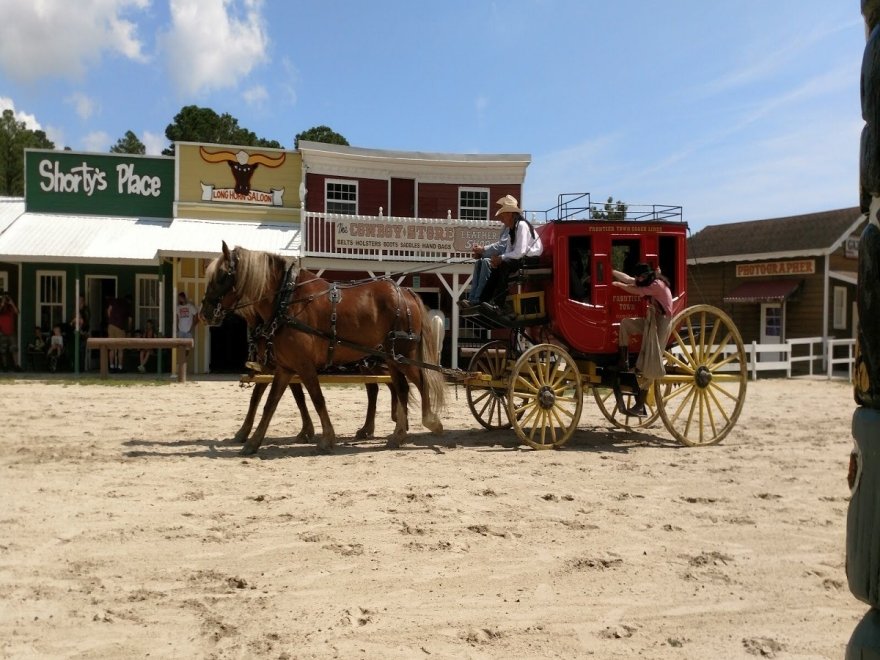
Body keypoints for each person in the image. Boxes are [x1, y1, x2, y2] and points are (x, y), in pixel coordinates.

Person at [459, 195, 543, 310]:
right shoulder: (512, 230)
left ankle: (498, 304)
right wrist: (499, 260)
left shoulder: (522, 226)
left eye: (503, 215)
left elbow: (520, 252)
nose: (501, 219)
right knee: (497, 267)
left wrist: (501, 259)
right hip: (521, 258)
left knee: (504, 265)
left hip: (531, 260)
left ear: (510, 214)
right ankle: (482, 300)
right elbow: (509, 251)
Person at [611, 262, 673, 416]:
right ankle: (623, 362)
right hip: (651, 319)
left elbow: (634, 290)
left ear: (647, 275)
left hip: (662, 322)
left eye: (641, 276)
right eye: (638, 276)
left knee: (652, 360)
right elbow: (629, 279)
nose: (638, 279)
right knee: (625, 324)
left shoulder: (657, 284)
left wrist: (618, 285)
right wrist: (611, 271)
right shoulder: (646, 280)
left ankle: (640, 404)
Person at [106, 293, 132, 372]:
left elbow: (109, 310)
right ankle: (120, 367)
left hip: (111, 326)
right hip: (120, 327)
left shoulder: (115, 301)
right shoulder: (127, 305)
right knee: (120, 349)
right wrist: (129, 330)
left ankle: (111, 366)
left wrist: (111, 320)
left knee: (112, 348)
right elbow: (130, 319)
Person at [0, 293, 23, 372]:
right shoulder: (1, 308)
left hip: (11, 332)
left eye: (6, 298)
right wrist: (1, 305)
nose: (5, 300)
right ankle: (5, 366)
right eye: (4, 298)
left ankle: (16, 366)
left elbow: (17, 312)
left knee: (14, 349)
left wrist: (12, 303)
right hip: (2, 332)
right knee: (3, 350)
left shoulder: (10, 308)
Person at [176, 292, 198, 364]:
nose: (179, 300)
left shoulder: (190, 306)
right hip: (181, 330)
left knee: (188, 348)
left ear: (184, 298)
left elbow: (196, 315)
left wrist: (193, 325)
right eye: (178, 298)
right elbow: (177, 318)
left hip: (188, 330)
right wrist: (177, 327)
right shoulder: (178, 307)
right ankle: (182, 362)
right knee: (180, 347)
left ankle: (184, 361)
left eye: (180, 298)